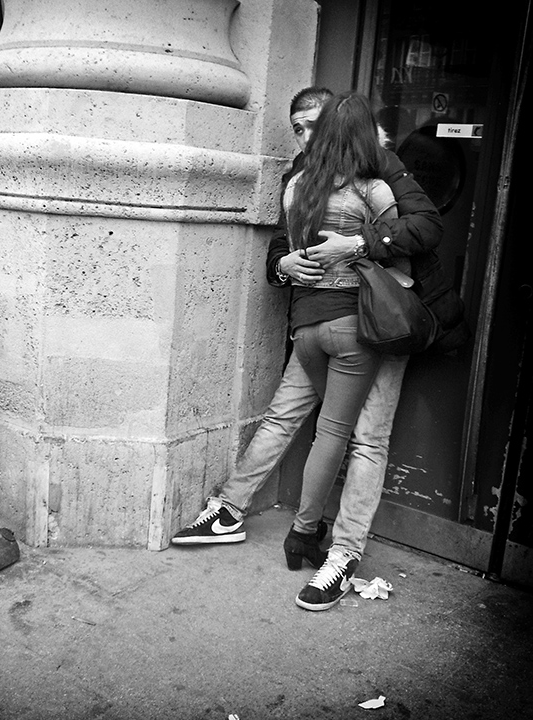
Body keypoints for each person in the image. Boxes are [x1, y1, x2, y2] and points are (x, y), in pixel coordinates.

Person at [171, 87, 467, 612]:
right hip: (322, 319)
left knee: (368, 438)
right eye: (297, 128)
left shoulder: (382, 167)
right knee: (284, 415)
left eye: (314, 125)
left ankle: (344, 553)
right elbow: (282, 246)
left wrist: (355, 245)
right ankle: (230, 509)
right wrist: (283, 267)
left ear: (335, 125)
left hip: (385, 320)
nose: (305, 136)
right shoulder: (301, 176)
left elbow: (425, 228)